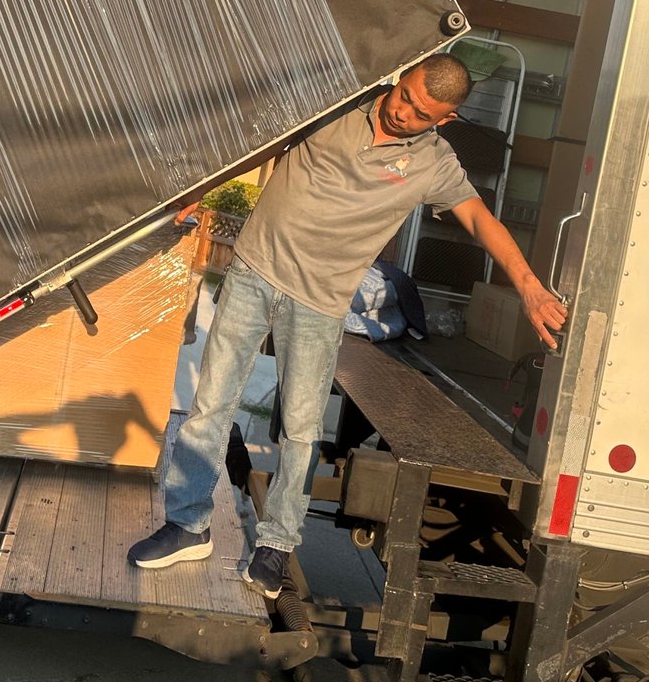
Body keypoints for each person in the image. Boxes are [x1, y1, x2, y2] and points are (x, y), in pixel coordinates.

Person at [128, 53, 568, 597]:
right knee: (212, 402)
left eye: (420, 111)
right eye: (403, 95)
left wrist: (527, 284)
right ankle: (186, 524)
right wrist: (203, 185)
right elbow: (263, 140)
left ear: (444, 120)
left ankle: (276, 545)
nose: (401, 111)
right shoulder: (340, 106)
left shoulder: (433, 162)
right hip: (254, 271)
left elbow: (479, 217)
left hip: (320, 302)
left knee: (301, 427)